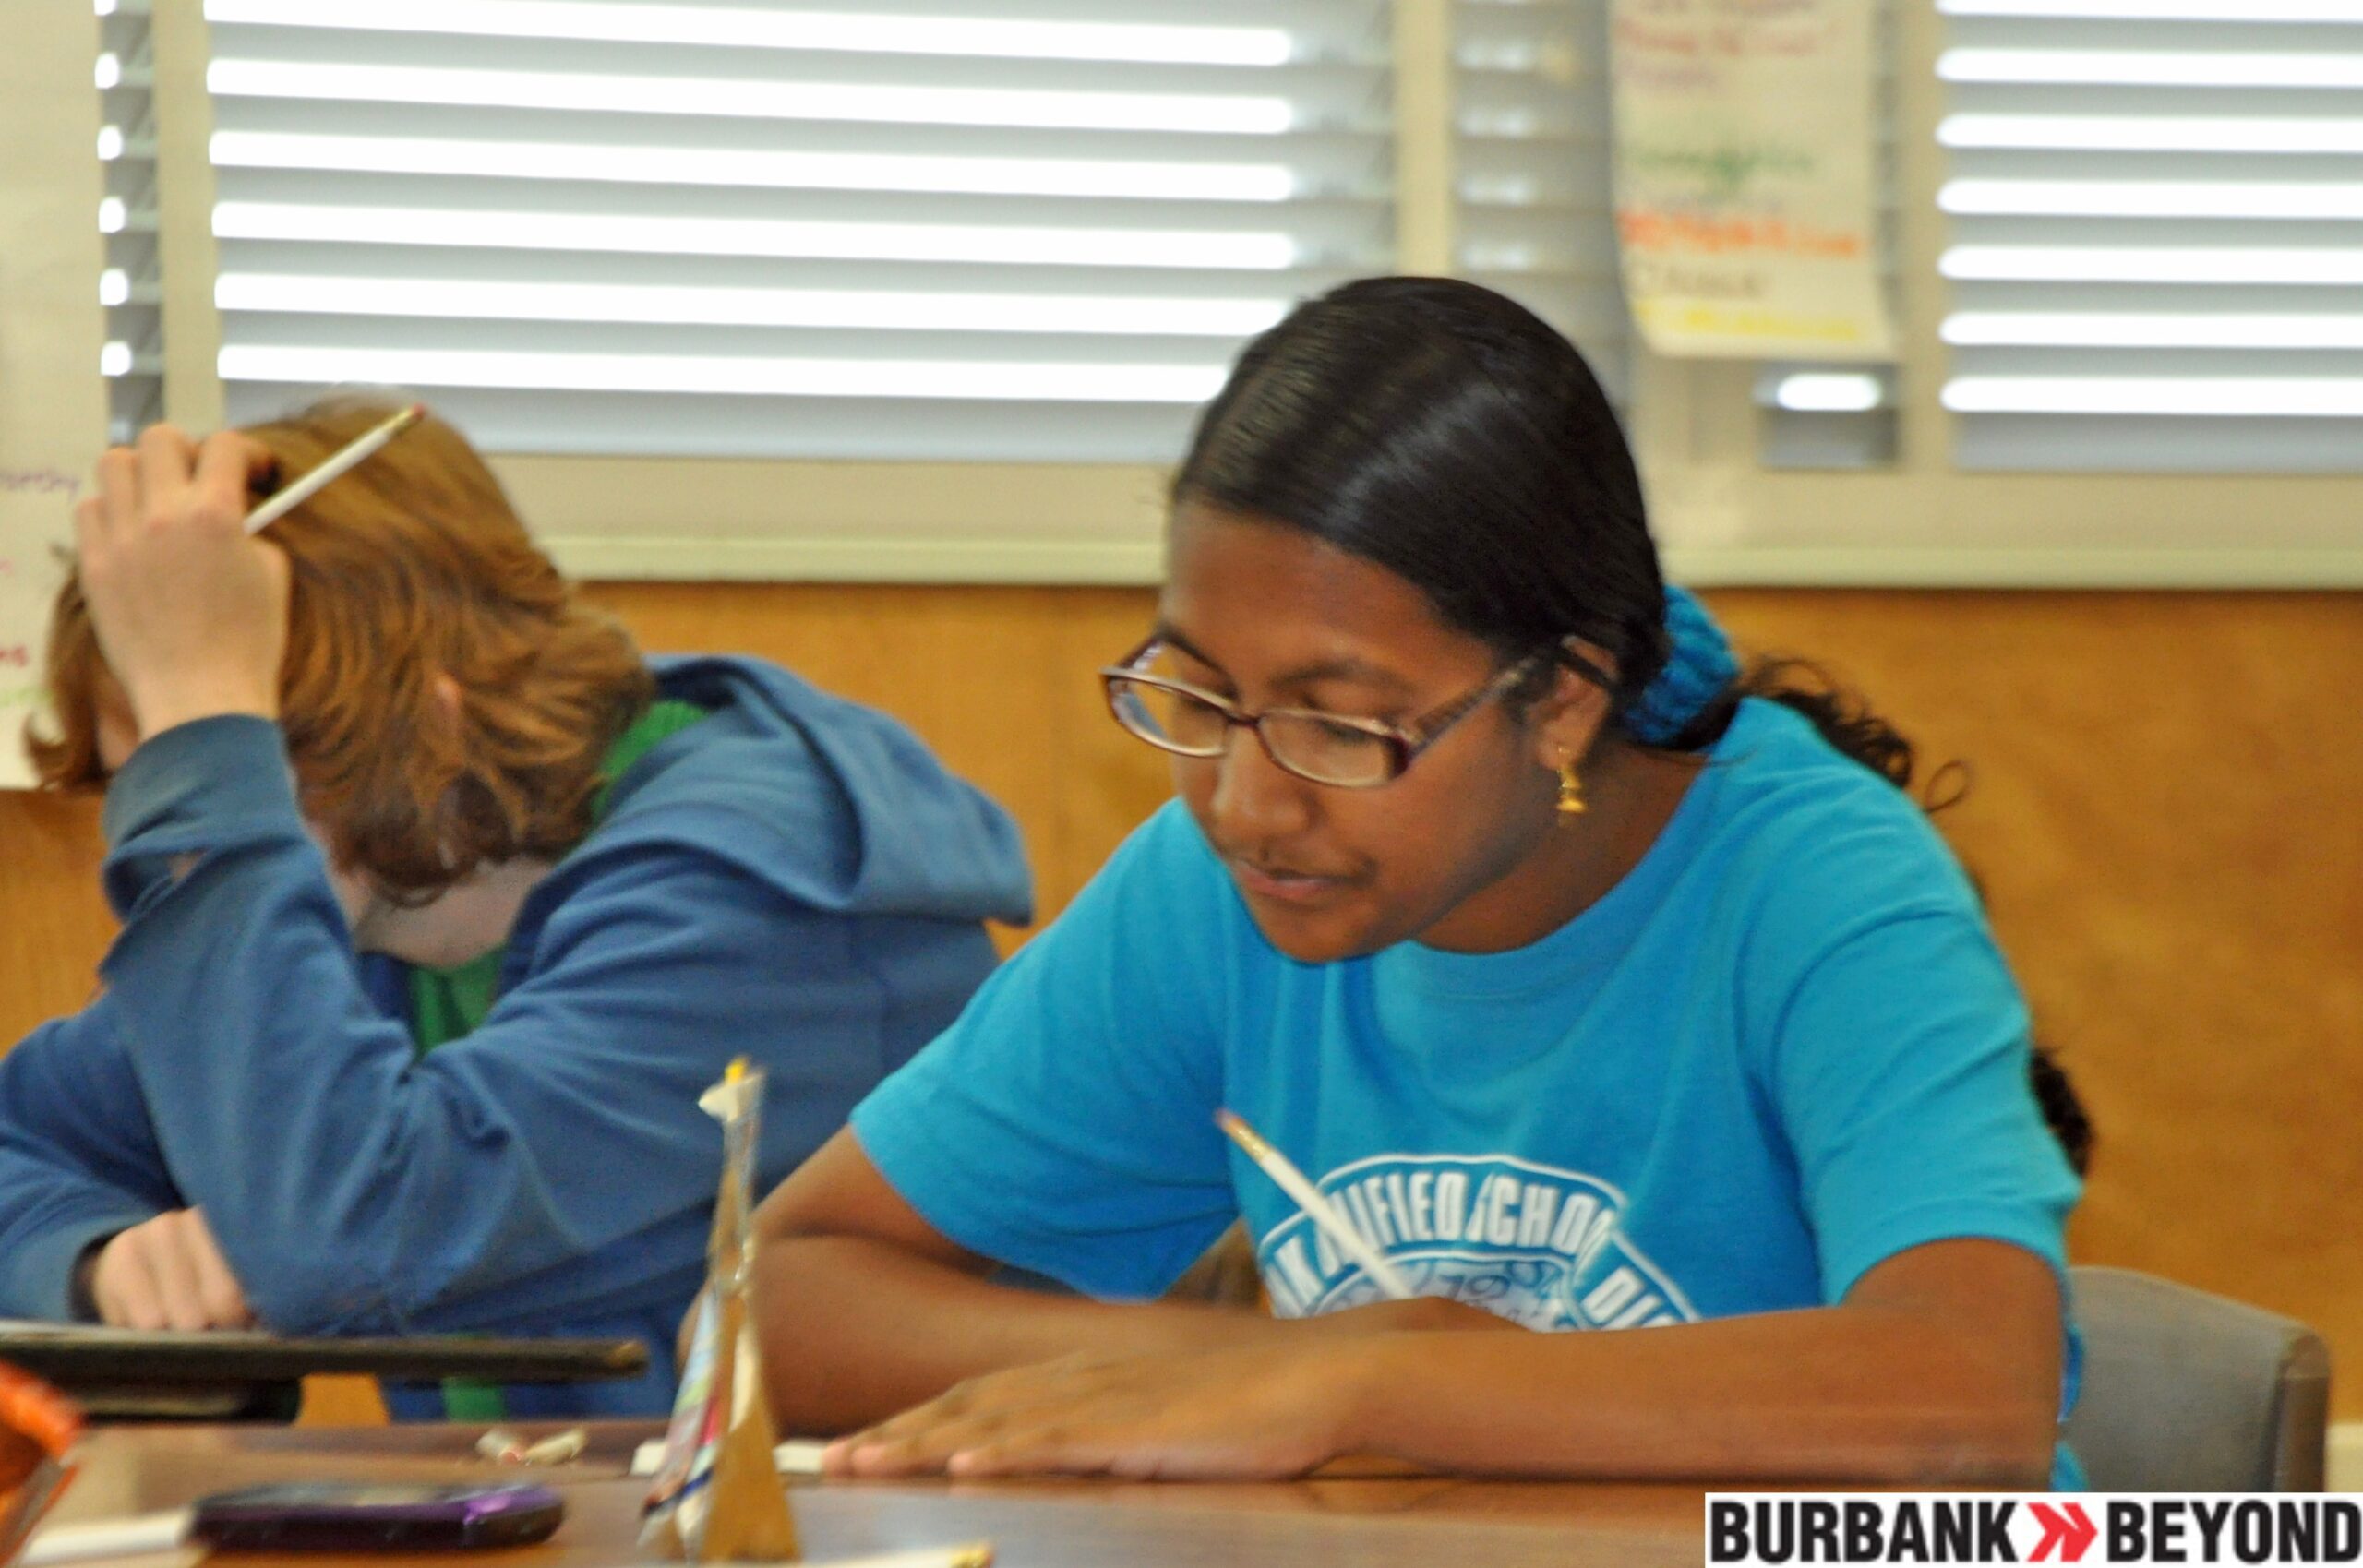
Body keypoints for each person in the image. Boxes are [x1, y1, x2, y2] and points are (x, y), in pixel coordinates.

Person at [749, 278, 2090, 1486]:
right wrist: (1223, 1367)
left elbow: (1971, 1402)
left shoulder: (1820, 886)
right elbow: (787, 1294)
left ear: (1559, 702)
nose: (1245, 797)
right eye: (1205, 696)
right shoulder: (1228, 886)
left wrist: (1368, 1374)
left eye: (1341, 723)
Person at [0, 399, 1032, 1418]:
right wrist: (91, 1260)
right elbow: (27, 1135)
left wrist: (205, 739)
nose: (199, 842)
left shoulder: (773, 910)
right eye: (155, 792)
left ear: (426, 718)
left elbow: (352, 1243)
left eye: (220, 774)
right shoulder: (371, 899)